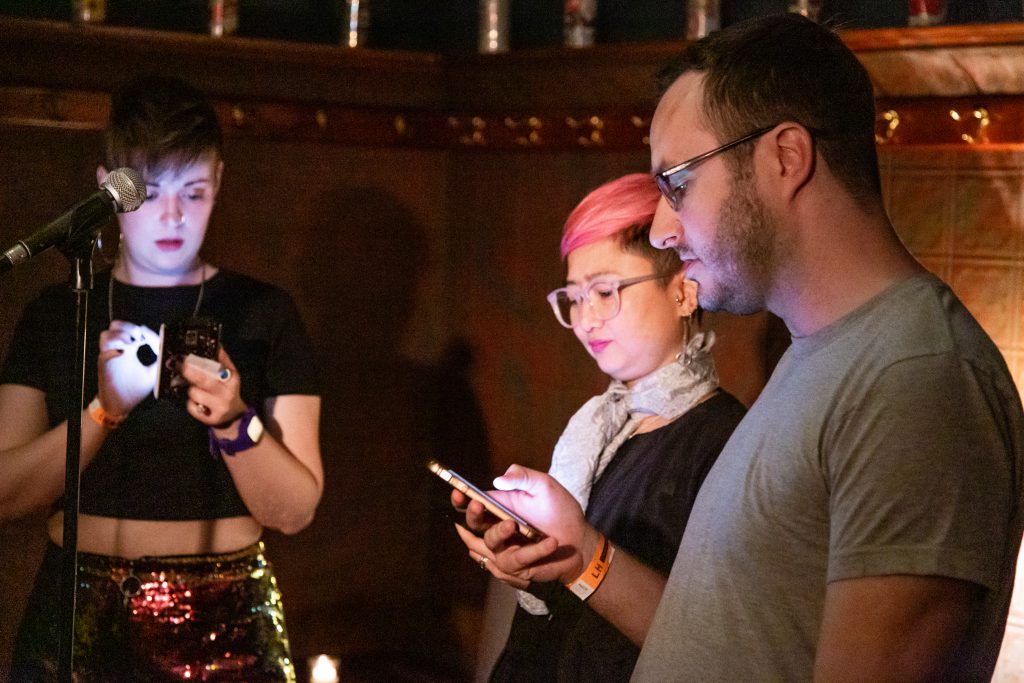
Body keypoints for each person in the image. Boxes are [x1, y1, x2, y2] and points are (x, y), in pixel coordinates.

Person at [461, 14, 1024, 682]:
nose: (664, 227)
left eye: (678, 182)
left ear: (786, 157)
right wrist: (581, 556)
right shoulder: (823, 354)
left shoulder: (920, 378)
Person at [0, 75, 323, 681]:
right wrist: (103, 412)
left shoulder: (262, 312)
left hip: (223, 609)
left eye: (194, 192)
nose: (172, 216)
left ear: (219, 182)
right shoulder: (60, 311)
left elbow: (296, 510)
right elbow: (6, 493)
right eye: (149, 193)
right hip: (76, 606)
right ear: (109, 189)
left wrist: (234, 421)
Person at [455, 173, 746, 682]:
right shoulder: (598, 428)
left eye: (605, 291)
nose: (586, 318)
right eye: (573, 296)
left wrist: (583, 556)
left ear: (683, 292)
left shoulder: (723, 441)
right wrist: (524, 558)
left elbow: (710, 642)